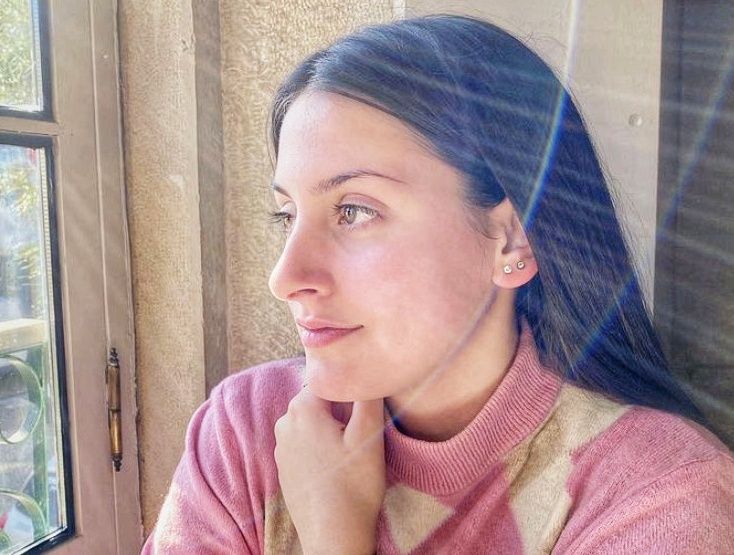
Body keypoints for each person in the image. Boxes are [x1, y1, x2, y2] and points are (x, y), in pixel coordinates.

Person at [142, 14, 734, 554]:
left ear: (512, 240)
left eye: (353, 211)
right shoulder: (248, 432)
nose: (285, 278)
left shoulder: (657, 493)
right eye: (287, 216)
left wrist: (336, 540)